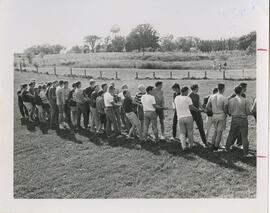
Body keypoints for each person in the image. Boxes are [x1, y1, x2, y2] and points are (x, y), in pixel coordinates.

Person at [225, 86, 253, 157]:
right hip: (243, 119)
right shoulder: (245, 100)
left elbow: (229, 111)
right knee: (244, 136)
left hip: (234, 119)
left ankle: (227, 149)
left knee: (231, 134)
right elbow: (248, 112)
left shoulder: (230, 100)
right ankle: (245, 153)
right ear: (241, 91)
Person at [174, 86, 199, 151]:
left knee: (182, 132)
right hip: (188, 117)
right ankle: (191, 145)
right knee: (190, 132)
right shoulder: (187, 98)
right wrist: (197, 110)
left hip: (180, 117)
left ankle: (184, 146)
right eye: (187, 91)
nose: (188, 92)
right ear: (185, 91)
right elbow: (191, 107)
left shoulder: (176, 98)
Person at [206, 83, 228, 151]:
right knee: (219, 133)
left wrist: (213, 111)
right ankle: (216, 147)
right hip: (221, 115)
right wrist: (226, 113)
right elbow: (225, 109)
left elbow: (207, 107)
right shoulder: (224, 98)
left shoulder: (211, 96)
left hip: (214, 115)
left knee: (216, 131)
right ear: (223, 88)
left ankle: (213, 145)